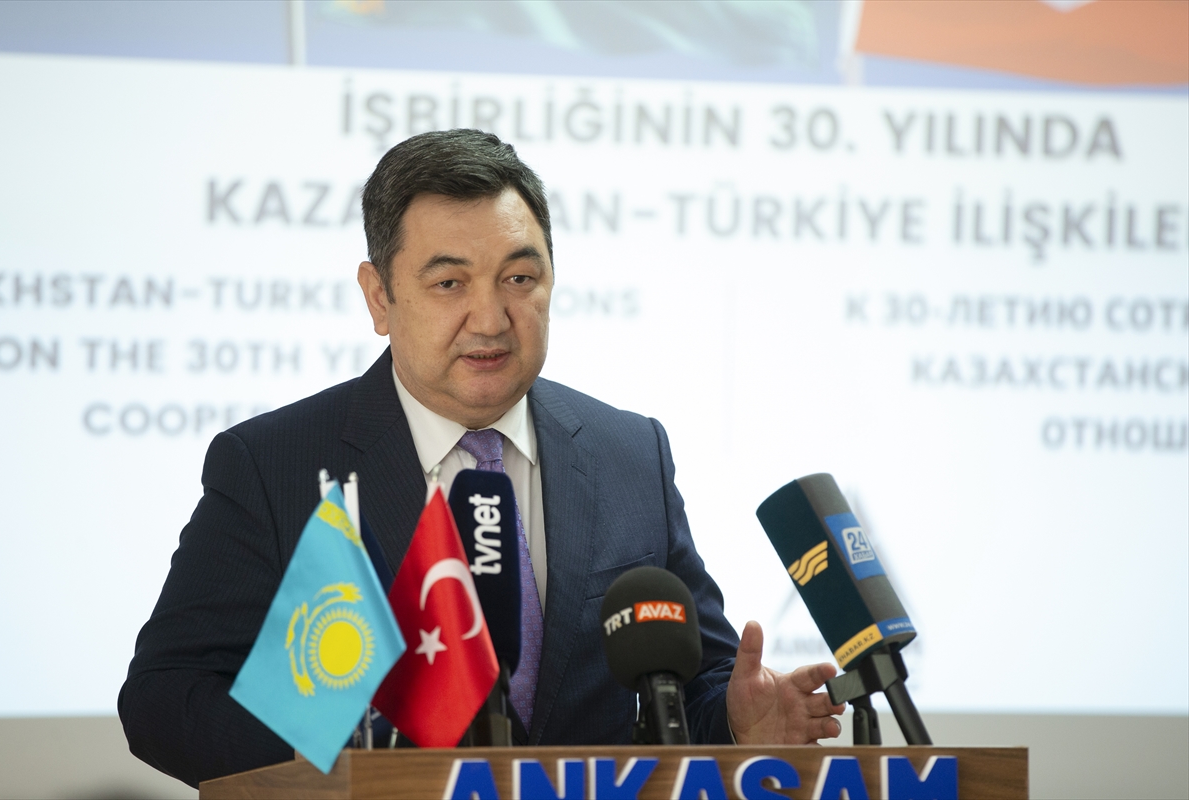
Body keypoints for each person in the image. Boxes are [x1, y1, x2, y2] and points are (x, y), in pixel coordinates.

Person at [118, 129, 843, 788]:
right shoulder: (276, 465)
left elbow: (690, 684)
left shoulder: (629, 454)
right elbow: (162, 698)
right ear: (379, 297)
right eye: (449, 284)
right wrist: (356, 766)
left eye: (519, 279)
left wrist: (737, 724)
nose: (492, 318)